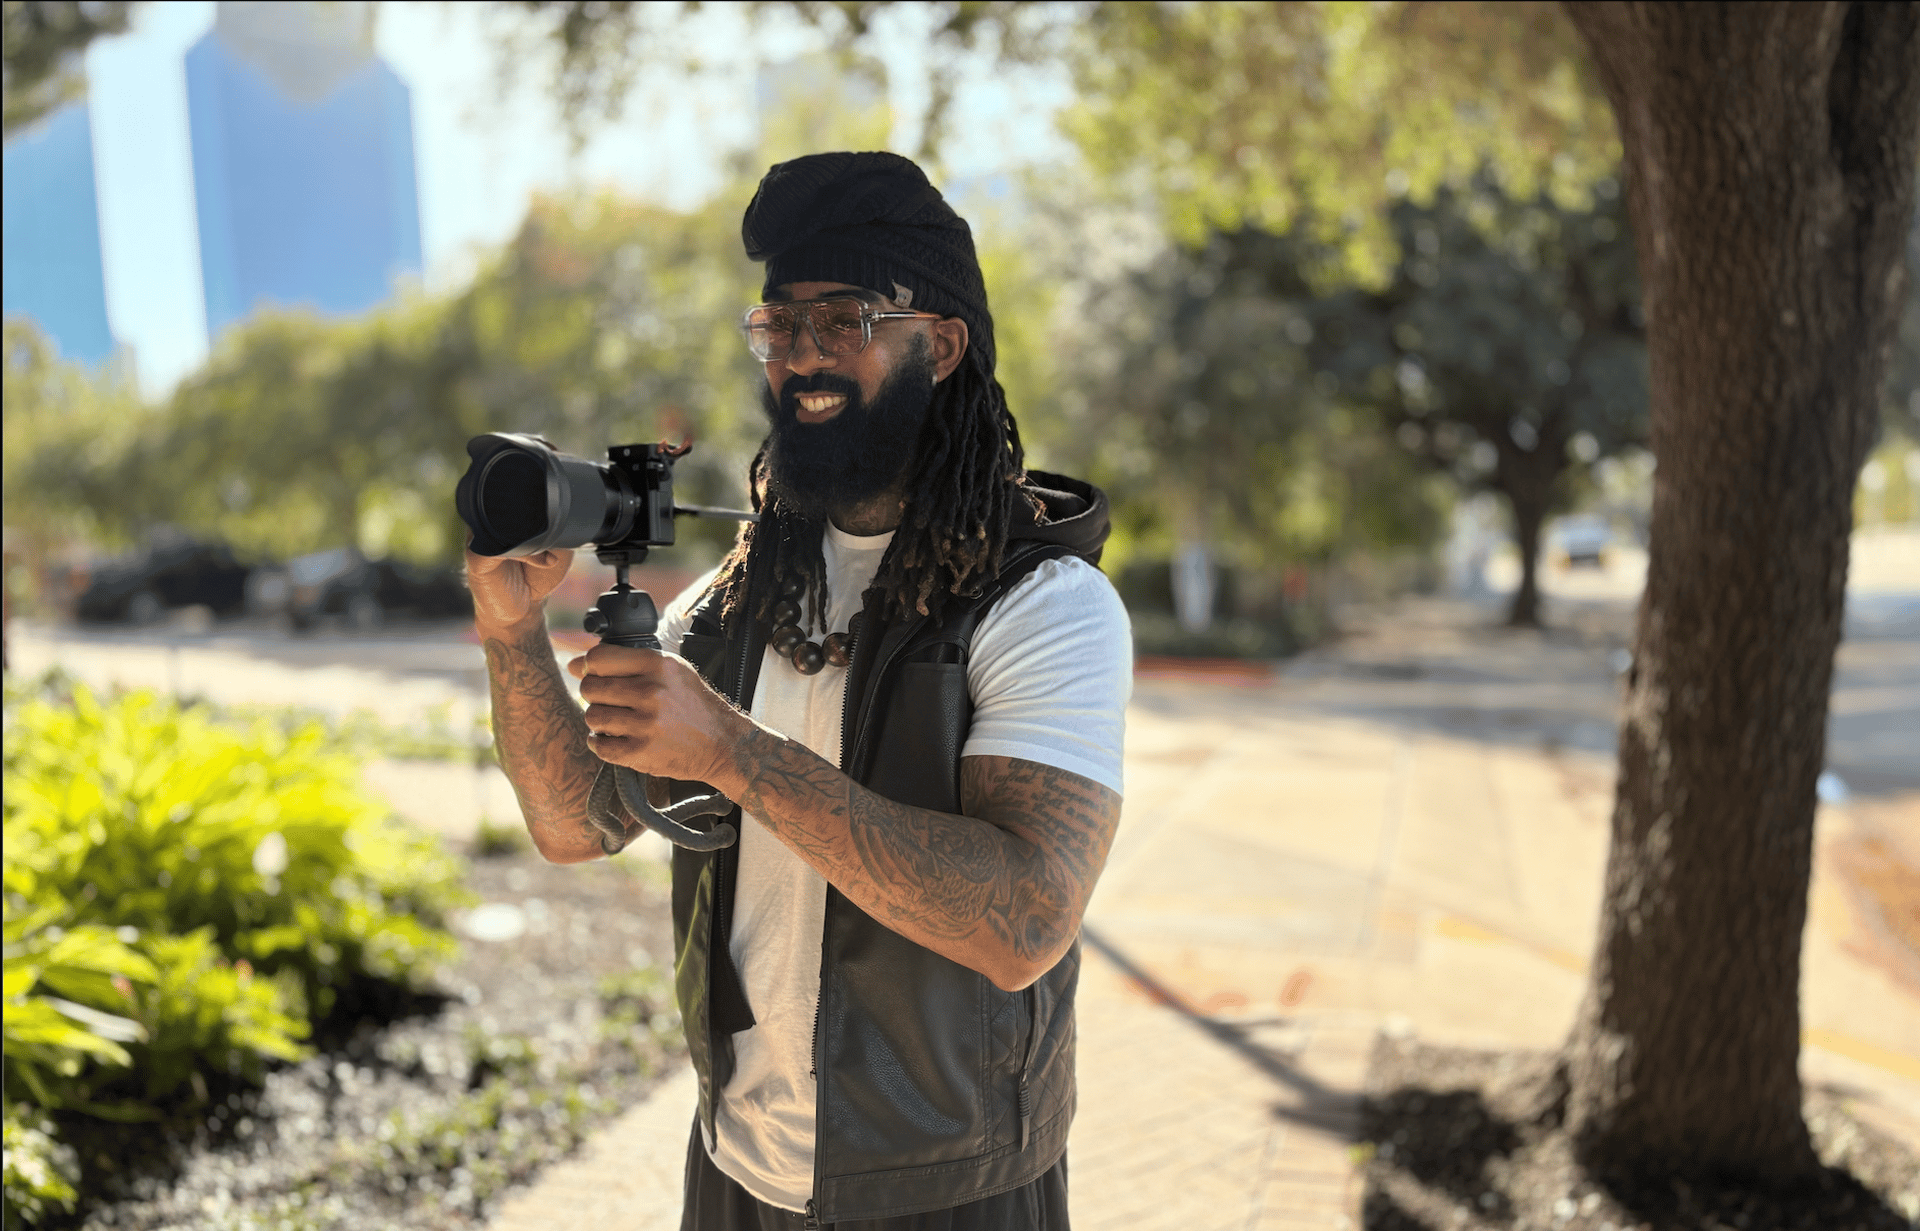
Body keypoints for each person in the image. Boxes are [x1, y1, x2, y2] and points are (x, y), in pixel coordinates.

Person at [467, 150, 1131, 1230]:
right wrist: (511, 630)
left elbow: (1022, 918)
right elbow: (571, 824)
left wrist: (732, 751)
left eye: (848, 318)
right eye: (779, 325)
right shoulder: (737, 601)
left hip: (948, 1185)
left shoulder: (1043, 602)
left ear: (944, 342)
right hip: (736, 1169)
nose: (802, 355)